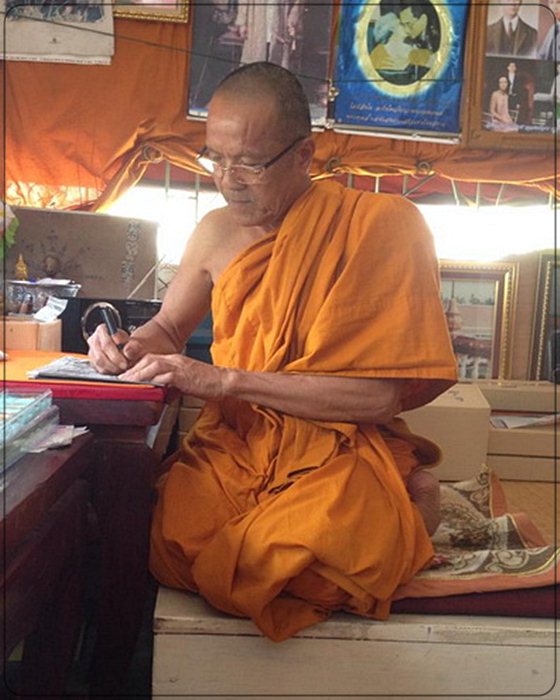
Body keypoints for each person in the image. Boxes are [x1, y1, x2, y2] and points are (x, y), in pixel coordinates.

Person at [88, 62, 457, 642]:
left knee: (300, 557)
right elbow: (168, 327)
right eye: (215, 159)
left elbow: (377, 399)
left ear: (304, 154)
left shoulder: (382, 226)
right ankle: (395, 510)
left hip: (332, 442)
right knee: (172, 541)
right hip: (237, 441)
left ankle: (412, 504)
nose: (228, 180)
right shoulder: (214, 230)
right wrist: (126, 348)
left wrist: (224, 381)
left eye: (250, 164)